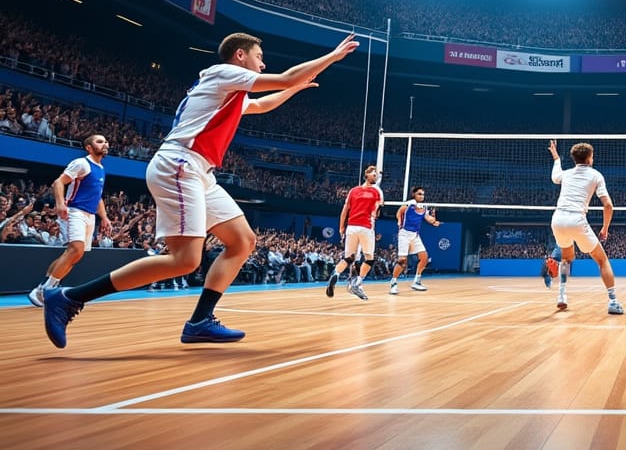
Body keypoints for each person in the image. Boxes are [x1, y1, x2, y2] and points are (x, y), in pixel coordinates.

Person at [42, 32, 359, 348]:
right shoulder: (223, 74)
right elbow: (285, 77)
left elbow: (263, 104)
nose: (263, 63)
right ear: (239, 56)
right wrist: (331, 57)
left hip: (199, 171)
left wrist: (294, 88)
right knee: (184, 260)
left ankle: (200, 321)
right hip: (180, 164)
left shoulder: (229, 92)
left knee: (243, 241)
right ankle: (69, 298)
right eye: (259, 57)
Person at [28, 134, 113, 307]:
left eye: (106, 141)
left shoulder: (101, 168)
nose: (105, 144)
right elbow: (59, 182)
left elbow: (98, 197)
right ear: (88, 147)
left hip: (90, 215)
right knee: (76, 250)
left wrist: (104, 217)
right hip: (75, 211)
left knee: (73, 255)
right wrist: (60, 203)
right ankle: (43, 291)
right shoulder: (82, 163)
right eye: (99, 141)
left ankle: (46, 287)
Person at [548, 140, 623, 314]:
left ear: (574, 159)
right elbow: (608, 206)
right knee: (602, 260)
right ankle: (613, 301)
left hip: (558, 219)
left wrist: (556, 158)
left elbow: (554, 177)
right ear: (590, 158)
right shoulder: (596, 175)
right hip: (576, 219)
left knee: (567, 258)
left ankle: (561, 296)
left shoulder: (566, 174)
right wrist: (605, 228)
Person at [325, 164, 384, 300]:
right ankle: (357, 283)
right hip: (366, 227)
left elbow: (345, 210)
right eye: (373, 174)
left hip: (351, 227)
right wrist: (377, 209)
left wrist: (341, 228)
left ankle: (335, 274)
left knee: (348, 258)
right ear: (366, 175)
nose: (375, 176)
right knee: (369, 258)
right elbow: (377, 210)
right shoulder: (375, 192)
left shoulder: (353, 191)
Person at [390, 186, 439, 294]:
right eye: (419, 194)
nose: (422, 196)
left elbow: (429, 219)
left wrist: (434, 220)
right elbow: (399, 212)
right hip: (404, 234)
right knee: (402, 261)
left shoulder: (424, 207)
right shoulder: (409, 204)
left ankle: (417, 281)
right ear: (414, 194)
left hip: (415, 235)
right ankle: (393, 283)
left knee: (424, 257)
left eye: (423, 194)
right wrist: (399, 221)